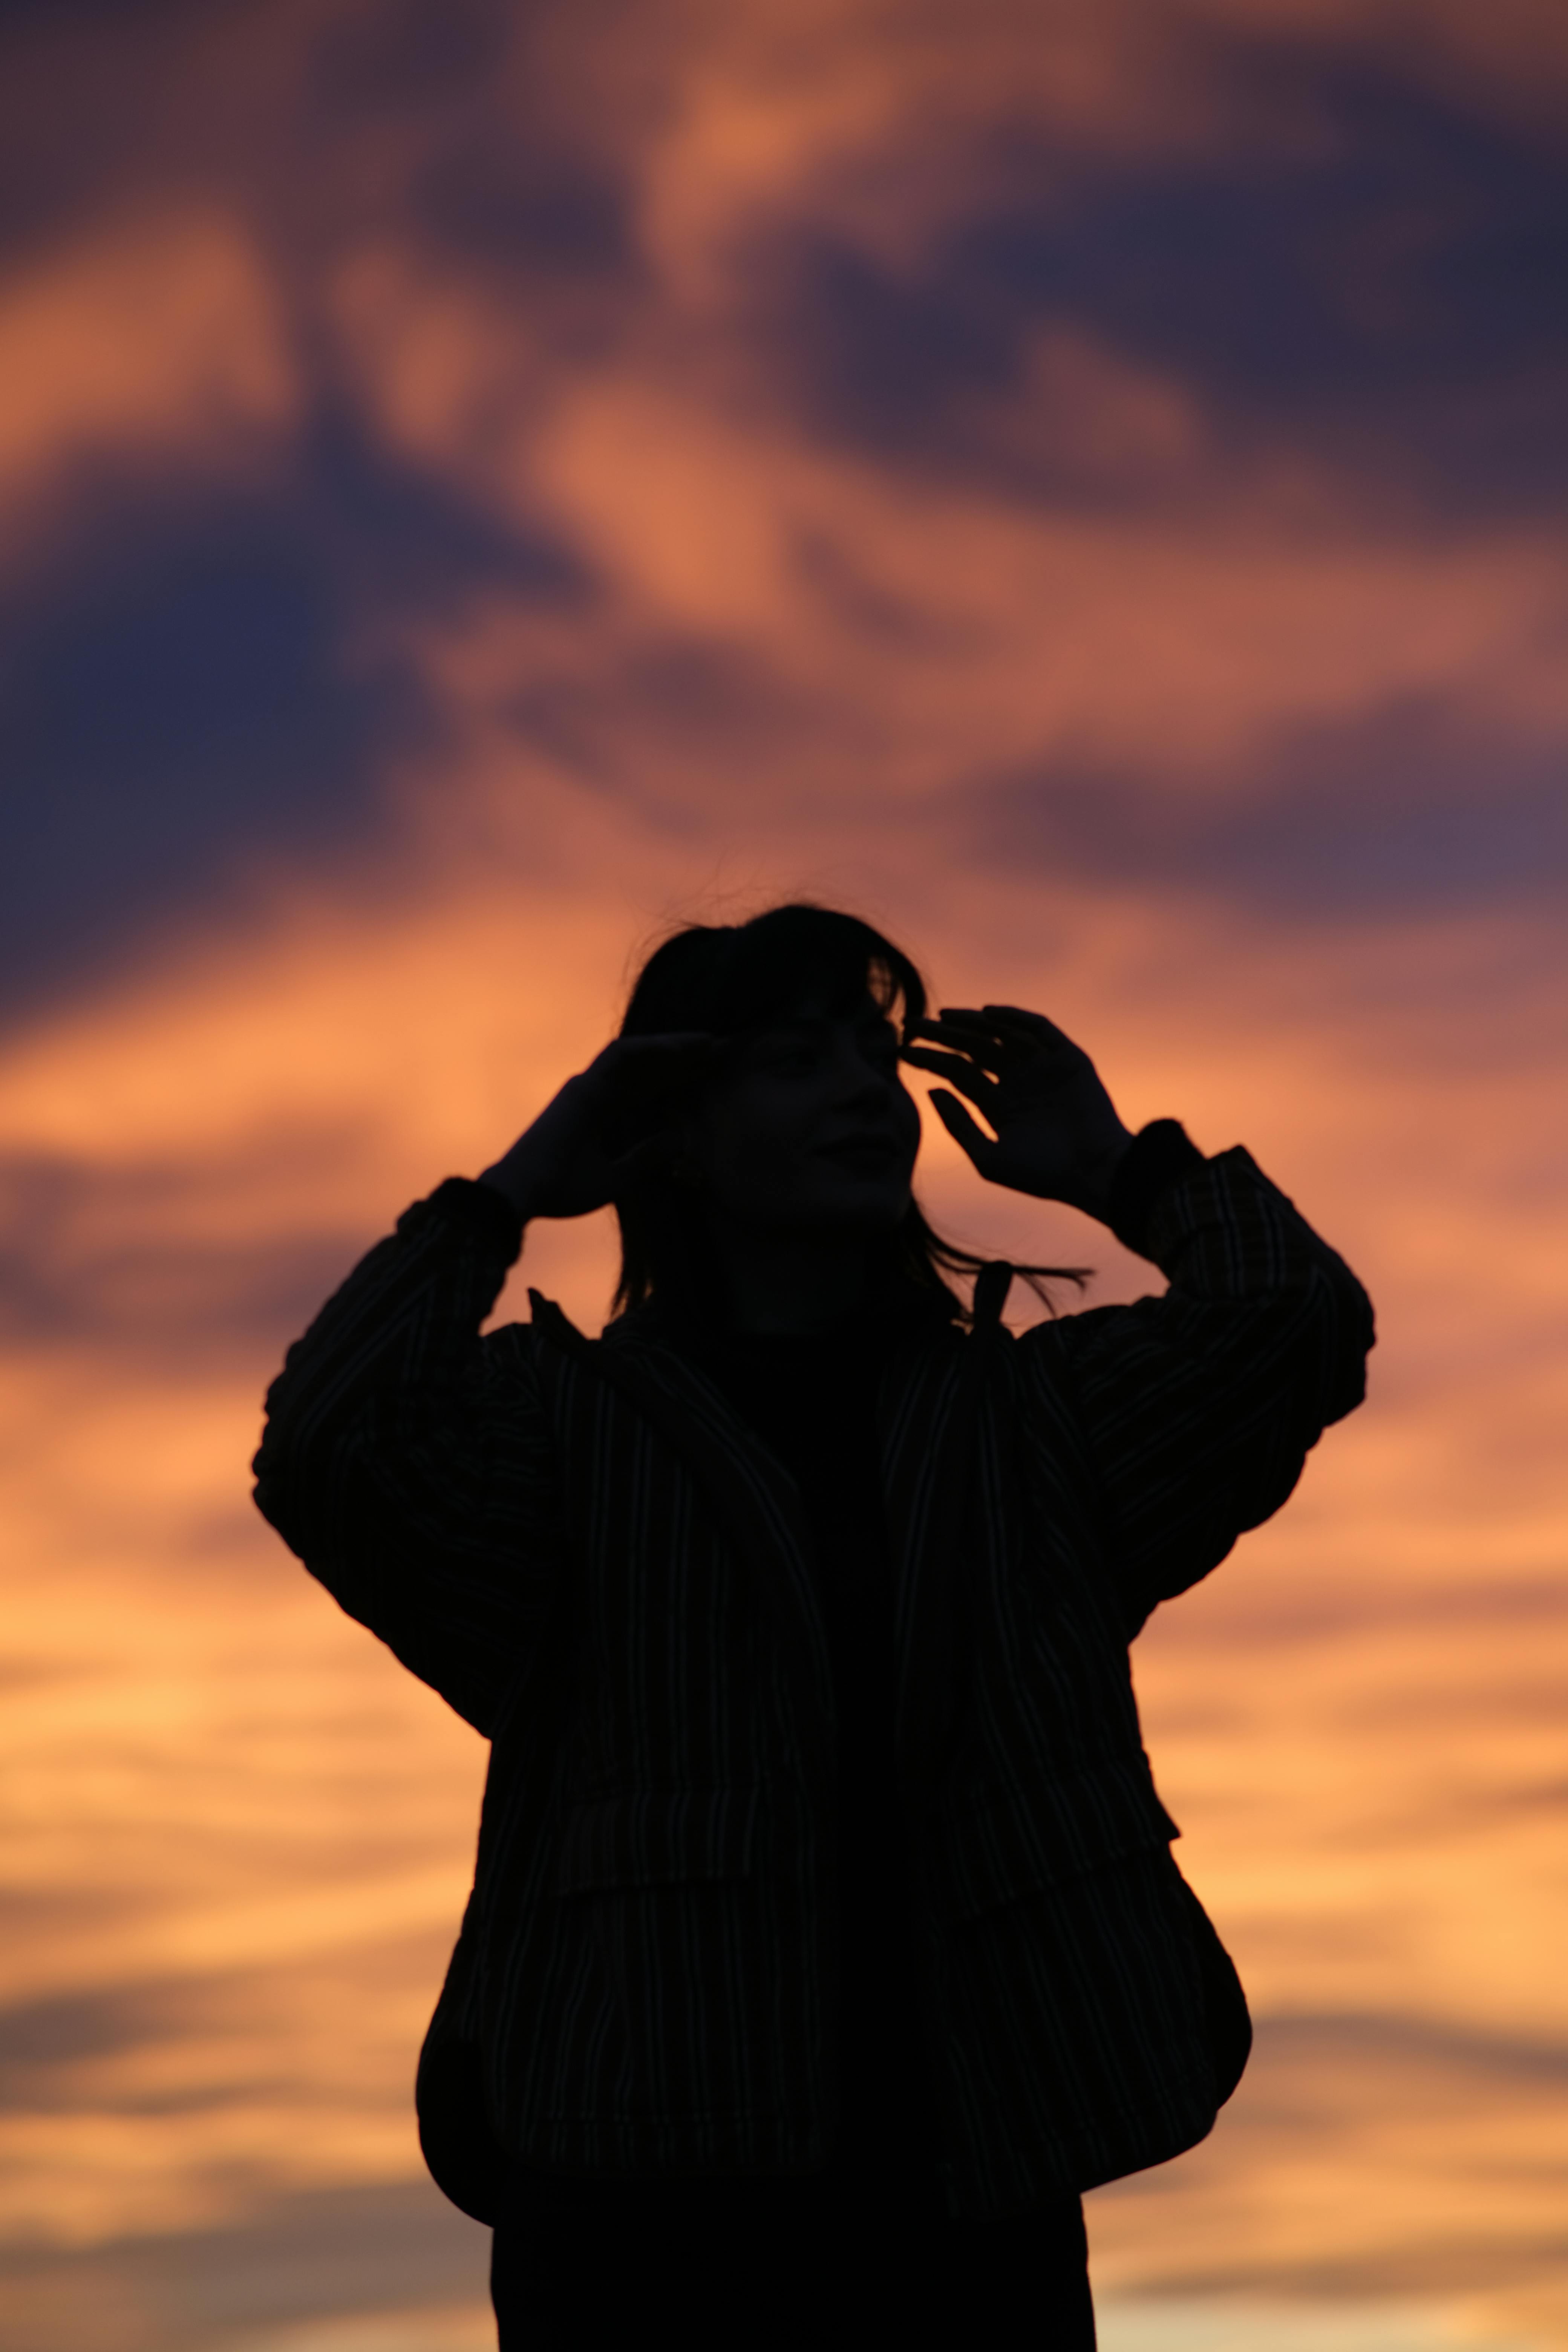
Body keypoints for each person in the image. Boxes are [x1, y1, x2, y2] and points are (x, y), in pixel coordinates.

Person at [253, 903, 1373, 2349]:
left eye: (871, 1054)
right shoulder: (562, 1438)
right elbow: (331, 1445)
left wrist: (1118, 1170)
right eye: (794, 1059)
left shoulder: (1029, 1426)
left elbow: (1290, 1325)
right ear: (679, 1133)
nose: (861, 1089)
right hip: (635, 2218)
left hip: (969, 2206)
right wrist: (520, 1186)